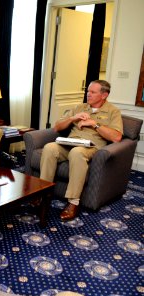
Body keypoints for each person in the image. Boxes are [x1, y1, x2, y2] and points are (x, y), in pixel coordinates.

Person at [40, 80, 123, 221]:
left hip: (90, 147)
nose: (88, 94)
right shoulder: (80, 107)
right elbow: (57, 127)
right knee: (49, 148)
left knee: (77, 152)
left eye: (92, 92)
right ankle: (42, 193)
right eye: (88, 91)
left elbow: (116, 137)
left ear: (104, 95)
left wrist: (95, 124)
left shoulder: (113, 112)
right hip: (69, 142)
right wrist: (73, 118)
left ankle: (73, 203)